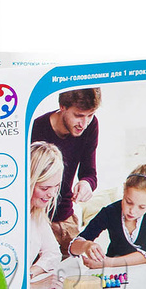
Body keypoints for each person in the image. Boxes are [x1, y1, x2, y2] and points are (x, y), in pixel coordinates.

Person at [30, 88, 100, 256]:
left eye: (90, 115)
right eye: (78, 115)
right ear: (62, 107)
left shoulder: (90, 126)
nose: (84, 124)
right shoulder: (36, 128)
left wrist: (86, 183)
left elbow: (90, 173)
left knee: (79, 264)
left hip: (66, 217)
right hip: (38, 219)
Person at [68, 165, 146, 267]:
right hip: (113, 272)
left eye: (142, 207)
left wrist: (108, 263)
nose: (132, 211)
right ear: (124, 190)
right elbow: (73, 247)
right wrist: (85, 245)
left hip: (145, 270)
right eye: (128, 202)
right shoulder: (110, 212)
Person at [28, 142, 64, 289]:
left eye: (56, 186)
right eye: (44, 188)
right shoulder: (8, 220)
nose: (52, 194)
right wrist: (32, 287)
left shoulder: (36, 214)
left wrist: (31, 273)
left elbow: (53, 253)